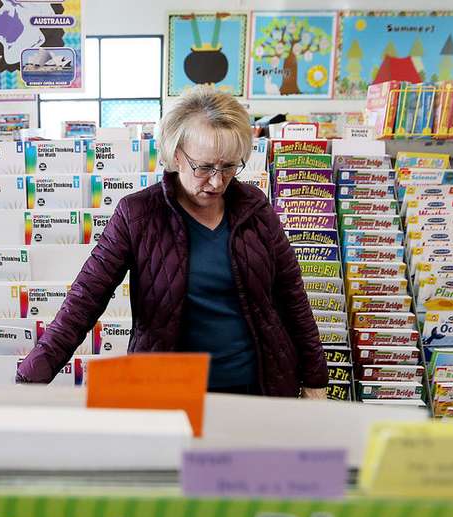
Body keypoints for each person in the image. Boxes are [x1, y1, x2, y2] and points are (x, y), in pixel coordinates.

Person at [17, 86, 328, 397]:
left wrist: (316, 378)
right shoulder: (138, 214)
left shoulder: (255, 208)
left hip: (257, 385)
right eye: (204, 167)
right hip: (170, 390)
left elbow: (292, 295)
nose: (218, 181)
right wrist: (30, 379)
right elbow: (85, 300)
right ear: (177, 155)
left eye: (230, 166)